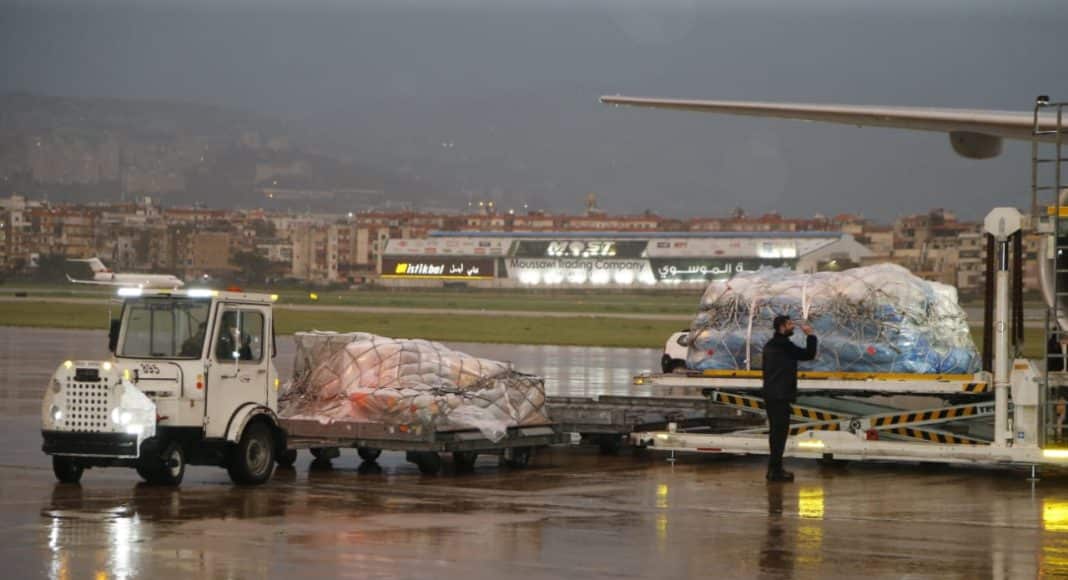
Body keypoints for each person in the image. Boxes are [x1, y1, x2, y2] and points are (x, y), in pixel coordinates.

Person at [762, 314, 818, 483]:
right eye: (789, 324)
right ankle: (775, 471)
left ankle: (774, 469)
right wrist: (810, 335)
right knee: (779, 435)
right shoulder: (784, 346)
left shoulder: (770, 345)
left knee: (775, 434)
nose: (792, 326)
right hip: (781, 396)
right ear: (782, 327)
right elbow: (808, 354)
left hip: (771, 394)